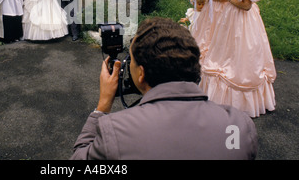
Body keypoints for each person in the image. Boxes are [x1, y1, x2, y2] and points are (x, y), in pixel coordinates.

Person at [71, 17, 258, 160]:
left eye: (131, 61)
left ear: (141, 73)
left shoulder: (115, 130)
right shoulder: (239, 125)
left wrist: (102, 106)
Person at [199, 0, 276, 118]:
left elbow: (246, 6)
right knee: (226, 54)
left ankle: (239, 99)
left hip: (242, 19)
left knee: (240, 54)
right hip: (230, 17)